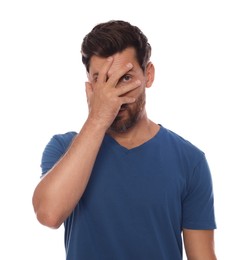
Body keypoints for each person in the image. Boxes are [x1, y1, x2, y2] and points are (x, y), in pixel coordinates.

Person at [32, 20, 217, 259]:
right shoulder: (63, 148)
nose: (113, 95)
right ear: (90, 86)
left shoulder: (190, 160)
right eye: (102, 80)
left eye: (125, 78)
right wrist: (98, 119)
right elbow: (49, 214)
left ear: (148, 75)